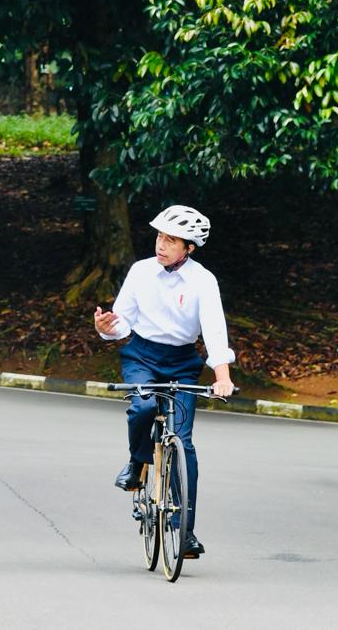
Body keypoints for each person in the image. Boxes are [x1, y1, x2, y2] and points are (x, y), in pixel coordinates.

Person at [93, 205, 236, 559]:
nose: (162, 245)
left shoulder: (203, 281)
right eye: (160, 237)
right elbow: (123, 321)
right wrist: (107, 329)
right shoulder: (141, 272)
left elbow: (214, 331)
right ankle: (137, 461)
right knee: (141, 407)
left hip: (183, 362)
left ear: (189, 248)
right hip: (142, 355)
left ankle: (185, 533)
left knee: (184, 443)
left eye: (171, 241)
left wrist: (222, 378)